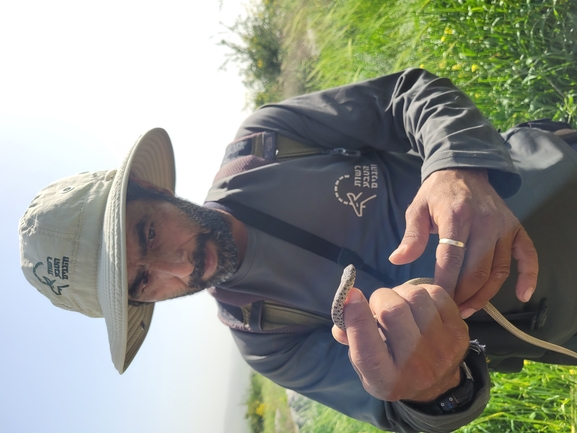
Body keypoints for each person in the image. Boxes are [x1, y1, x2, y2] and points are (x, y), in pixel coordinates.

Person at [19, 68, 577, 432]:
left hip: (558, 173)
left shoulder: (268, 141)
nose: (175, 267)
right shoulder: (266, 341)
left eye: (148, 234)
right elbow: (398, 409)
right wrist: (434, 391)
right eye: (142, 283)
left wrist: (454, 164)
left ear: (156, 190)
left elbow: (408, 96)